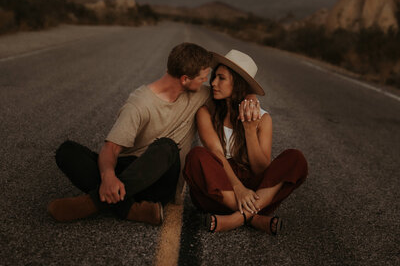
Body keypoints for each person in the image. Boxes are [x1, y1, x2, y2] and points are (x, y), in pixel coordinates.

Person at [48, 42, 215, 224]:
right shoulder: (139, 104)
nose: (205, 83)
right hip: (130, 172)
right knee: (67, 151)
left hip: (158, 184)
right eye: (202, 79)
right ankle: (131, 209)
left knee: (167, 146)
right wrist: (108, 176)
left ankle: (93, 203)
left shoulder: (200, 95)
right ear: (184, 79)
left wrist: (249, 99)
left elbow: (233, 92)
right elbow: (111, 148)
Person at [183, 49, 308, 234]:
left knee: (295, 158)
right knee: (196, 156)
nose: (214, 83)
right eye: (214, 77)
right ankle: (254, 218)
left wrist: (250, 131)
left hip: (255, 190)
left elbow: (261, 169)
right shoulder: (206, 112)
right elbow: (216, 153)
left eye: (221, 78)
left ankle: (236, 218)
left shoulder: (263, 119)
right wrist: (237, 188)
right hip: (220, 188)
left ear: (238, 84)